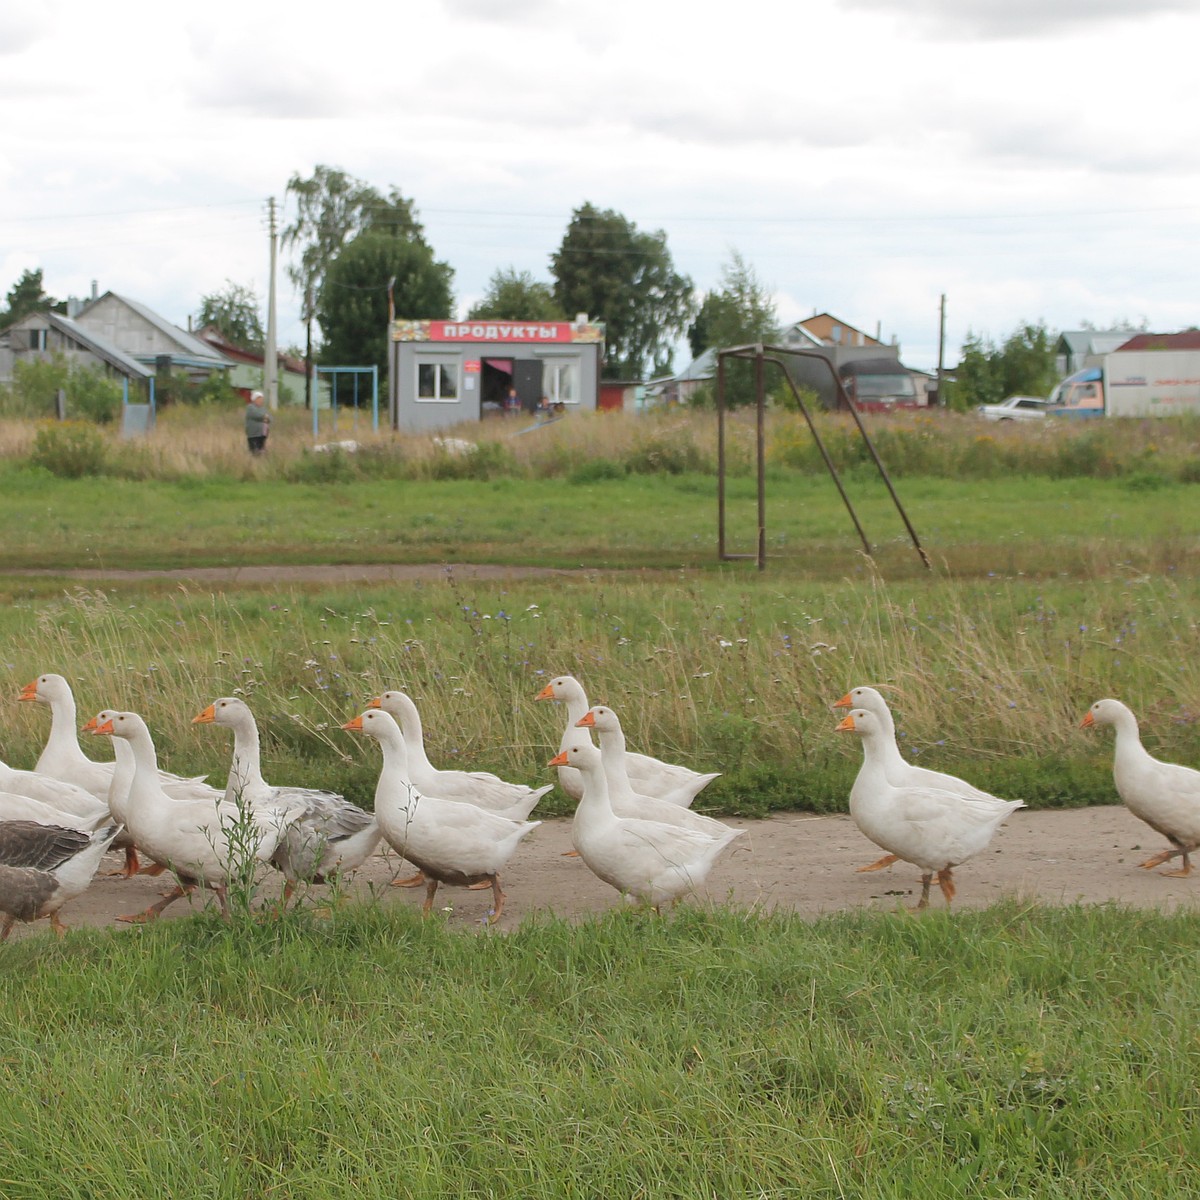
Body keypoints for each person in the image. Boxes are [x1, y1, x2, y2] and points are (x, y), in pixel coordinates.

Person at [245, 390, 270, 454]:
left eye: (262, 399)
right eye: (259, 399)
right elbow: (256, 415)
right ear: (254, 399)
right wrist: (264, 417)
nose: (261, 401)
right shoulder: (250, 407)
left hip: (263, 434)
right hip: (253, 434)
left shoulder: (263, 408)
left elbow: (270, 417)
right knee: (254, 451)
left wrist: (266, 417)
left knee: (262, 451)